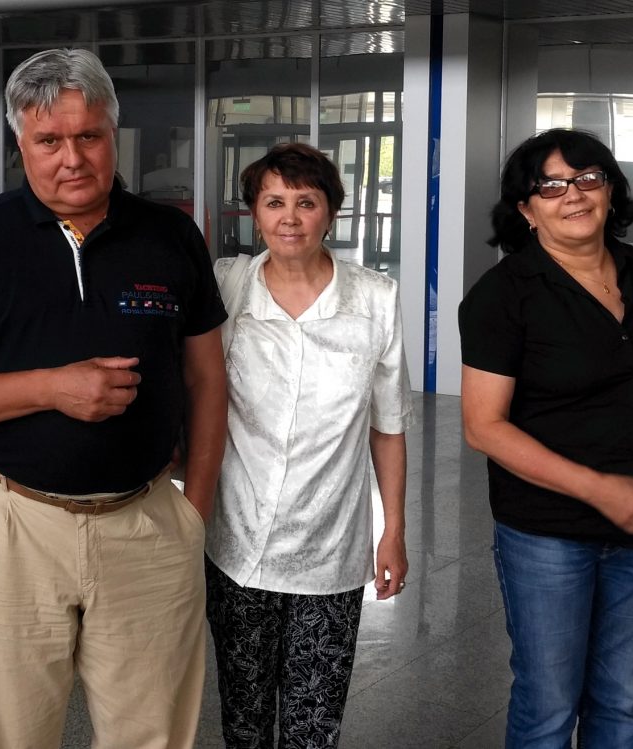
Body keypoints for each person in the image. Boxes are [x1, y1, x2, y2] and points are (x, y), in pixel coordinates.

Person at [0, 48, 227, 749]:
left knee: (155, 735)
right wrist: (52, 387)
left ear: (112, 132)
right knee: (9, 735)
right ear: (21, 146)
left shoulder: (169, 236)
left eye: (88, 136)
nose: (72, 157)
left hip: (146, 524)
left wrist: (193, 508)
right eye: (49, 140)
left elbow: (206, 377)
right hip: (12, 525)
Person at [458, 128, 633, 748]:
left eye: (587, 178)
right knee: (549, 705)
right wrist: (599, 490)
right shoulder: (503, 296)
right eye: (549, 186)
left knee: (621, 702)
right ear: (525, 211)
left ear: (610, 190)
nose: (572, 196)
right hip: (548, 535)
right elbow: (483, 426)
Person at [205, 142, 414, 748]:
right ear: (254, 213)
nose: (289, 218)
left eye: (306, 202)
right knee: (244, 720)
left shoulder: (375, 299)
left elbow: (389, 423)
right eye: (274, 202)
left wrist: (392, 530)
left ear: (332, 213)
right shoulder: (229, 288)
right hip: (239, 542)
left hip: (330, 549)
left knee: (313, 724)